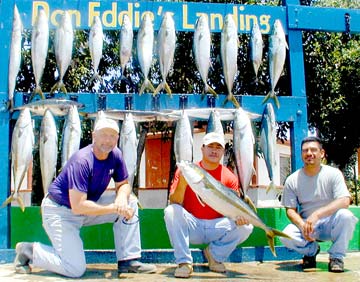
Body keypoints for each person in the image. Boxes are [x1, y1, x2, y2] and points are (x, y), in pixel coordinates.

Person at [14, 117, 157, 277]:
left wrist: (122, 198)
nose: (108, 140)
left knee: (130, 203)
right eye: (103, 135)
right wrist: (113, 207)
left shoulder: (115, 154)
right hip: (60, 212)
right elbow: (78, 206)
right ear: (93, 135)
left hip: (84, 209)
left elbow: (123, 184)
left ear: (117, 138)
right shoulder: (82, 161)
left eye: (112, 136)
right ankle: (29, 251)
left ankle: (128, 260)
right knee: (75, 269)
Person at [164, 132, 254, 278]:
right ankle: (184, 263)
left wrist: (240, 217)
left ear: (223, 151)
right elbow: (174, 201)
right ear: (202, 149)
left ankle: (214, 256)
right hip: (193, 226)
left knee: (247, 225)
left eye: (218, 147)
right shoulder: (185, 170)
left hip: (217, 227)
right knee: (171, 211)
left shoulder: (230, 177)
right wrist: (183, 183)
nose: (214, 151)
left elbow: (233, 208)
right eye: (210, 146)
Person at [279, 136, 358, 273]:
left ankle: (336, 258)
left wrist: (317, 214)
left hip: (330, 224)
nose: (309, 153)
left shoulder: (333, 174)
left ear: (322, 153)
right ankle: (311, 252)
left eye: (313, 150)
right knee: (285, 235)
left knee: (346, 216)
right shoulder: (292, 180)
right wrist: (302, 225)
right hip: (307, 227)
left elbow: (345, 200)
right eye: (305, 150)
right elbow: (290, 210)